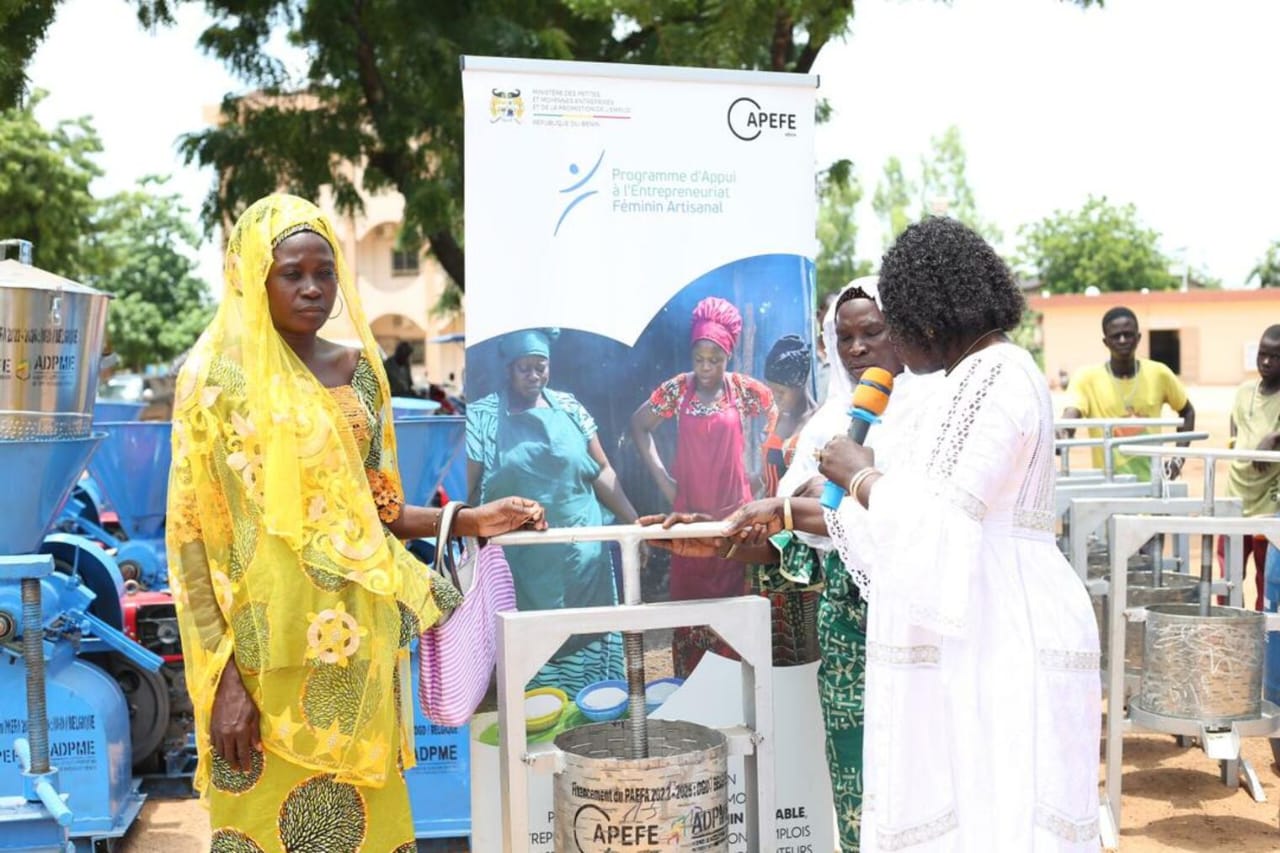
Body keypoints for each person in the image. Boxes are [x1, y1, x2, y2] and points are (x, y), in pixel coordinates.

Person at [166, 194, 546, 852]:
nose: (313, 288)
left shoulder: (357, 371)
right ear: (254, 274)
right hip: (260, 660)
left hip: (354, 652)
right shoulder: (215, 383)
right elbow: (196, 539)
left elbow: (379, 509)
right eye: (293, 273)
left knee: (365, 829)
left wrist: (471, 519)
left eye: (325, 271)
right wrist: (228, 672)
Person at [727, 219, 1102, 850]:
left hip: (1004, 628)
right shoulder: (978, 374)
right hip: (982, 617)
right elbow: (919, 520)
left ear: (931, 313)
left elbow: (943, 524)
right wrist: (792, 512)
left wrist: (862, 475)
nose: (885, 341)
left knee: (999, 812)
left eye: (891, 322)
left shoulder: (994, 377)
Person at [644, 276, 939, 850]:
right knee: (856, 772)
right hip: (847, 627)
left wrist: (850, 485)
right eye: (844, 337)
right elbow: (792, 539)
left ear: (902, 334)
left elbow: (923, 522)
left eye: (872, 333)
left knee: (926, 769)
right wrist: (711, 537)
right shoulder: (827, 428)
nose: (857, 349)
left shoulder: (936, 416)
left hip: (922, 619)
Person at [467, 328, 639, 694]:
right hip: (521, 564)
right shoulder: (482, 417)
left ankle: (596, 720)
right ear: (508, 370)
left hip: (583, 557)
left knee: (590, 647)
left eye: (540, 367)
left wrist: (633, 522)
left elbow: (602, 472)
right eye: (524, 368)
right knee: (533, 656)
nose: (533, 376)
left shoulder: (571, 407)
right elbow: (467, 493)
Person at [631, 296, 777, 677]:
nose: (707, 368)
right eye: (700, 359)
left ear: (728, 357)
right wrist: (667, 486)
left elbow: (779, 414)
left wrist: (760, 476)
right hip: (690, 524)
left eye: (716, 360)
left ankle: (737, 699)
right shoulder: (679, 390)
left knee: (736, 617)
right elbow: (639, 425)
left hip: (735, 523)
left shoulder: (743, 390)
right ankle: (693, 702)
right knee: (691, 615)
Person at [1061, 306, 1195, 480]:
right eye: (1116, 336)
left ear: (1138, 338)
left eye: (1128, 334)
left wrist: (1178, 458)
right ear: (1105, 342)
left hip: (1152, 486)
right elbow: (1072, 412)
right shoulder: (1087, 378)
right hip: (1109, 486)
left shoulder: (1159, 374)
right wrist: (1065, 430)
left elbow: (1187, 411)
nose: (1123, 340)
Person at [1218, 325, 1280, 608]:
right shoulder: (1244, 392)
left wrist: (1274, 438)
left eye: (1275, 357)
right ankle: (1231, 637)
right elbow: (1235, 420)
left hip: (1268, 504)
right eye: (1263, 354)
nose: (1266, 362)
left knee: (1265, 580)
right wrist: (1234, 442)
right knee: (1227, 576)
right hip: (1234, 497)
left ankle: (1263, 640)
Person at [760, 333, 817, 498]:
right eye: (771, 389)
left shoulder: (817, 424)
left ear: (800, 383)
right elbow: (766, 476)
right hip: (769, 515)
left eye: (781, 392)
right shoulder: (774, 418)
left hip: (797, 518)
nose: (775, 397)